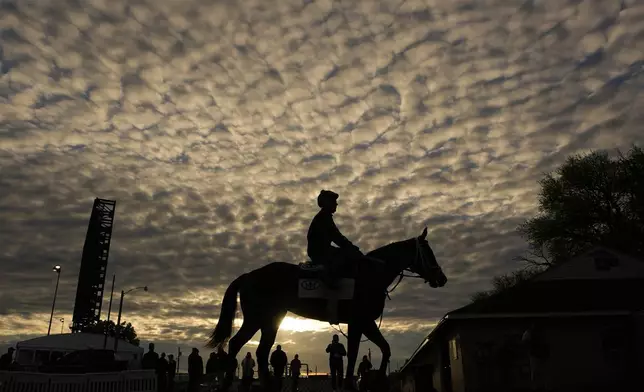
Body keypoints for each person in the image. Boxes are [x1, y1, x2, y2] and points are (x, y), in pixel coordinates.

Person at [307, 190, 363, 288]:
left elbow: (337, 236)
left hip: (321, 249)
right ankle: (329, 281)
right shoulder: (323, 217)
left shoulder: (325, 216)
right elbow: (337, 237)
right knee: (345, 257)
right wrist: (351, 248)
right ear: (327, 203)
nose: (336, 204)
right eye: (333, 201)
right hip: (319, 251)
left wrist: (350, 247)